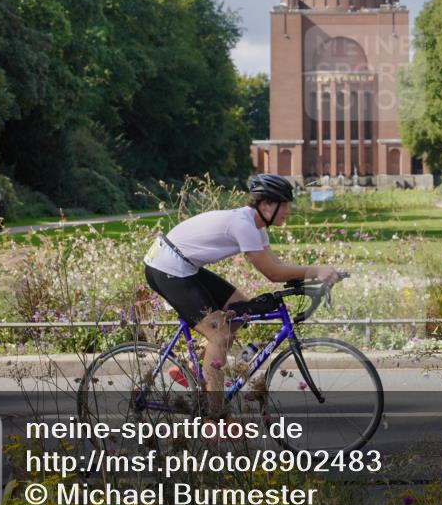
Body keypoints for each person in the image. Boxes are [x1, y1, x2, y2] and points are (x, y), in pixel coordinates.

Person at [143, 174, 340, 415]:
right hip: (166, 267)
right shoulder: (244, 225)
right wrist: (315, 270)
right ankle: (214, 416)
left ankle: (195, 370)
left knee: (240, 308)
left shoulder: (257, 226)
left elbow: (276, 264)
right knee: (220, 335)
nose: (288, 210)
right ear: (266, 204)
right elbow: (272, 273)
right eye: (284, 204)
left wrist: (307, 278)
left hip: (184, 265)